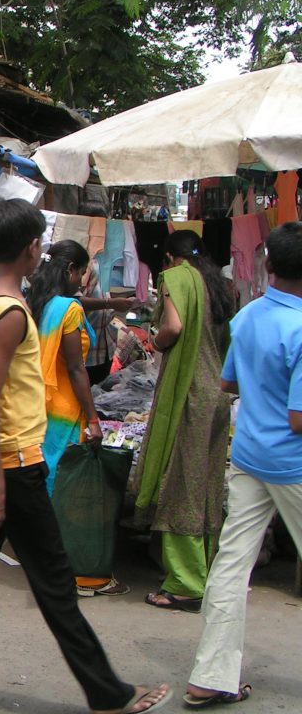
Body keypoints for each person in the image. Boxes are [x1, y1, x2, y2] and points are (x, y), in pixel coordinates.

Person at [0, 198, 170, 714]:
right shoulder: (8, 314)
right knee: (55, 587)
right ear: (32, 249)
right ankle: (107, 693)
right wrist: (1, 488)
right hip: (13, 467)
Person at [183, 222, 302, 707]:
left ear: (268, 264)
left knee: (231, 566)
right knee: (232, 564)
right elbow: (298, 420)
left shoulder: (249, 316)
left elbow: (229, 383)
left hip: (251, 456)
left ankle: (209, 675)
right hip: (290, 462)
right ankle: (210, 676)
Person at [133, 230, 233, 612]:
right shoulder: (219, 286)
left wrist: (154, 342)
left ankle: (187, 584)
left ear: (171, 259)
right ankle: (205, 572)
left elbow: (172, 327)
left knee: (181, 487)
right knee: (206, 487)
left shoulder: (177, 278)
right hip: (217, 394)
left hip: (189, 394)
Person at [27, 240, 130, 598]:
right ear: (70, 270)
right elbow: (76, 368)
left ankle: (46, 562)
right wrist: (93, 418)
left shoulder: (39, 303)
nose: (85, 279)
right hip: (66, 408)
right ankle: (69, 570)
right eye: (83, 272)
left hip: (41, 407)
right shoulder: (67, 311)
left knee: (49, 480)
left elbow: (78, 302)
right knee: (67, 490)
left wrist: (110, 303)